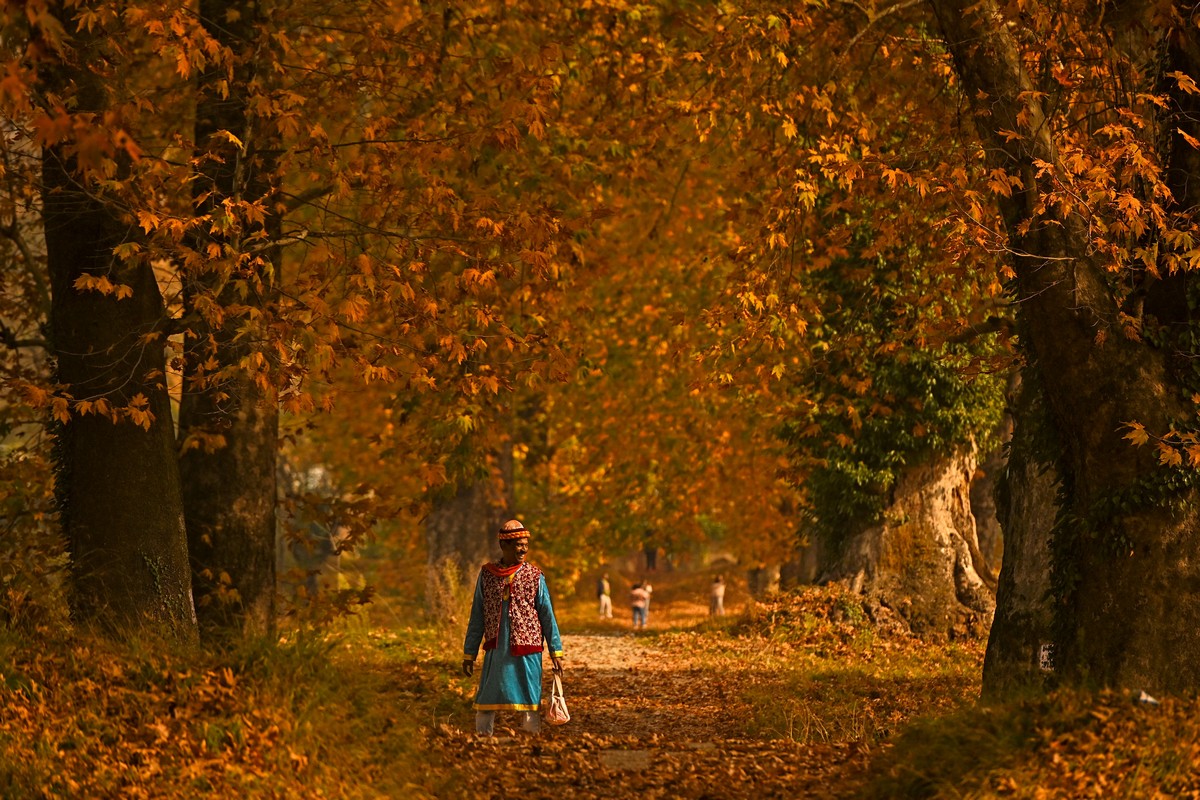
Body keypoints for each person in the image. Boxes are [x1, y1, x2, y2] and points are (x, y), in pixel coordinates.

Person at [462, 519, 564, 736]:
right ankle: (482, 738)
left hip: (528, 650)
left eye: (526, 544)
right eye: (518, 544)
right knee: (487, 696)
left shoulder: (535, 576)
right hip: (496, 650)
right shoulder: (487, 575)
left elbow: (547, 615)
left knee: (529, 697)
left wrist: (556, 651)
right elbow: (477, 615)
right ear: (504, 546)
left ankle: (529, 739)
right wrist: (469, 653)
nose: (524, 549)